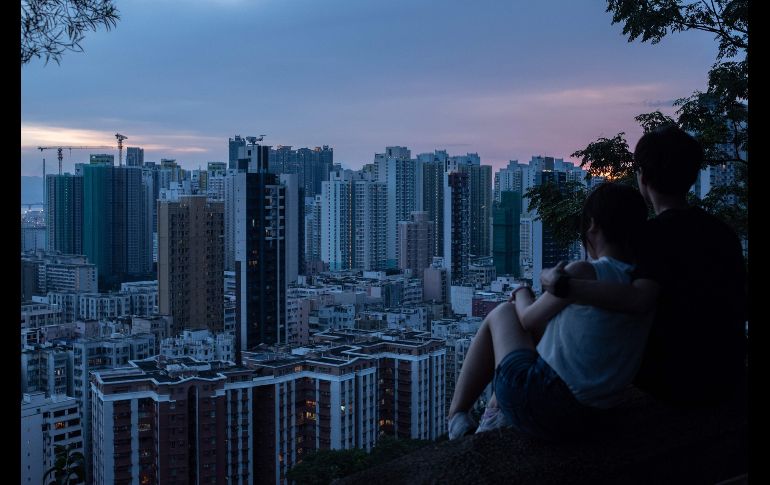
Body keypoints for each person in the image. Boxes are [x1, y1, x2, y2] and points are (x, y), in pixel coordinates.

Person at [541, 125, 747, 408]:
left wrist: (564, 285)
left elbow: (639, 299)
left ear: (643, 177)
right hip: (728, 372)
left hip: (675, 379)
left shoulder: (649, 237)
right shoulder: (722, 232)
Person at [448, 183, 652, 441]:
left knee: (503, 313)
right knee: (547, 329)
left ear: (592, 227)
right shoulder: (640, 284)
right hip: (596, 414)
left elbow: (527, 317)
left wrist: (521, 293)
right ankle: (494, 412)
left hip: (545, 404)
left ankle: (456, 416)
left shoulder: (585, 272)